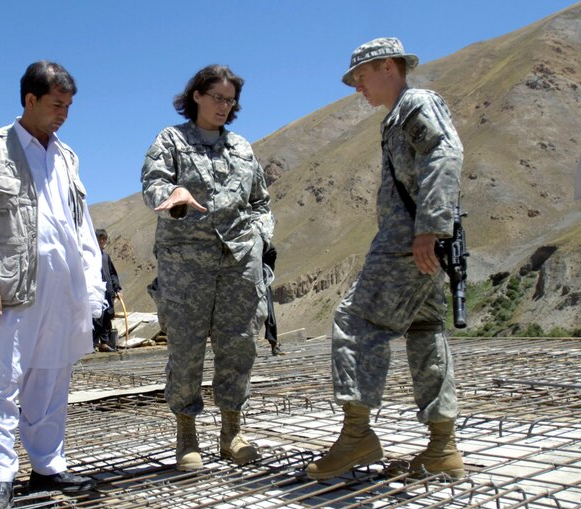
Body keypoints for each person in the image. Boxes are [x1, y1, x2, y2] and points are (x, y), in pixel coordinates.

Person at [307, 38, 465, 480]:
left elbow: (444, 153)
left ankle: (357, 436)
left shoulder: (415, 104)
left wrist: (429, 228)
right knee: (425, 330)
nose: (358, 87)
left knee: (354, 321)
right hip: (421, 241)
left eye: (361, 77)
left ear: (388, 67)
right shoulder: (398, 117)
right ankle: (442, 446)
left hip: (409, 242)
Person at [0, 61, 105, 509]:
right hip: (11, 288)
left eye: (68, 106)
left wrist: (93, 286)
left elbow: (81, 228)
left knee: (51, 376)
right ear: (30, 101)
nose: (64, 114)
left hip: (63, 291)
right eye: (57, 105)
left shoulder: (66, 156)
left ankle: (47, 465)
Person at [141, 65, 273, 471]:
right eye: (217, 97)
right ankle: (187, 436)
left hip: (238, 264)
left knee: (239, 346)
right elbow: (152, 185)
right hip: (186, 267)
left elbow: (260, 202)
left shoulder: (242, 148)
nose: (224, 106)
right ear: (197, 95)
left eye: (230, 100)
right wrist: (173, 195)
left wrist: (260, 238)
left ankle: (232, 431)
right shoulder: (173, 140)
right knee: (186, 351)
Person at [93, 228, 122, 352]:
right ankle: (93, 343)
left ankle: (104, 342)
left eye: (104, 239)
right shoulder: (91, 256)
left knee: (108, 315)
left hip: (108, 291)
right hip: (96, 291)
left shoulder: (106, 257)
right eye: (101, 239)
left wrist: (117, 289)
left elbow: (112, 273)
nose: (103, 241)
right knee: (96, 317)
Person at [261, 243, 283, 356]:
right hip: (258, 282)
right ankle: (274, 345)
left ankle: (274, 344)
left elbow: (271, 251)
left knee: (269, 315)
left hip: (260, 282)